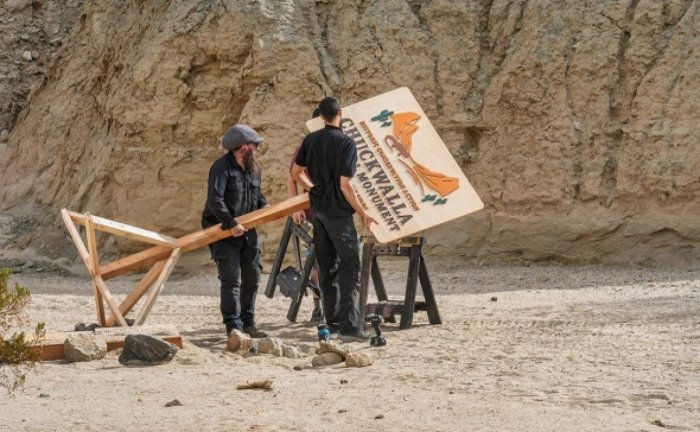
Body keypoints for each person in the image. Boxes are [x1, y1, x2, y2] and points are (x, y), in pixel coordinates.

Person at [291, 97, 374, 341]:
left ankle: (334, 322)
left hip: (319, 213)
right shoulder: (346, 142)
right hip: (339, 213)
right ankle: (349, 326)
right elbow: (345, 185)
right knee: (350, 266)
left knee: (327, 268)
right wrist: (363, 212)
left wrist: (313, 188)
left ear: (321, 116)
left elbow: (296, 173)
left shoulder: (311, 139)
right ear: (341, 113)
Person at [202, 124, 268, 338]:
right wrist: (231, 223)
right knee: (231, 280)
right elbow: (215, 200)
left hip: (247, 232)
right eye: (254, 144)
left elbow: (257, 196)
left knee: (252, 277)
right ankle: (234, 327)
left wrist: (265, 206)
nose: (257, 148)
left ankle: (248, 323)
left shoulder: (253, 169)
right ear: (242, 147)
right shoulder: (221, 168)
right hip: (223, 232)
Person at [286, 108, 323, 323]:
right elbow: (291, 177)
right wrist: (295, 207)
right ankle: (318, 306)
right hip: (312, 211)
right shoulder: (306, 146)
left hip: (332, 210)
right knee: (315, 260)